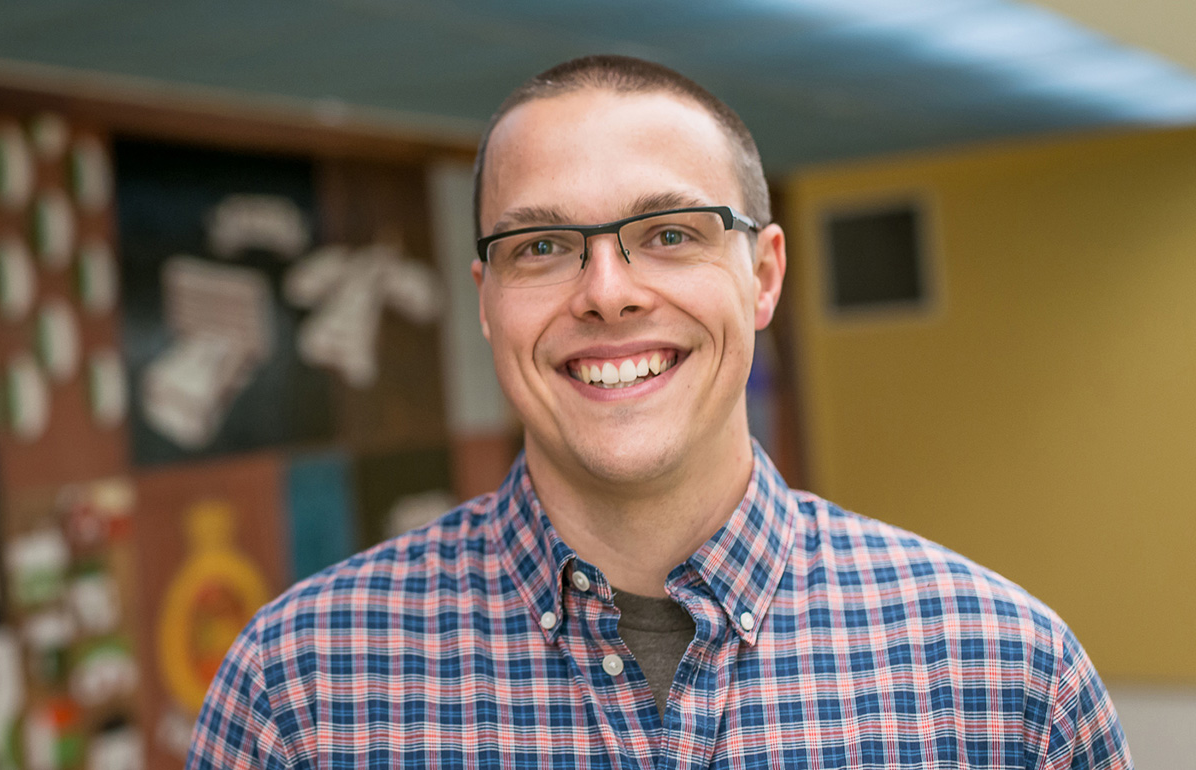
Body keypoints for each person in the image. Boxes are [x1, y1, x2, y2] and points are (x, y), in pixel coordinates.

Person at [186, 55, 1132, 768]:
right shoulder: (300, 692)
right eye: (543, 245)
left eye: (669, 234)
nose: (608, 293)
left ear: (762, 276)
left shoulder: (1004, 678)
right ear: (486, 300)